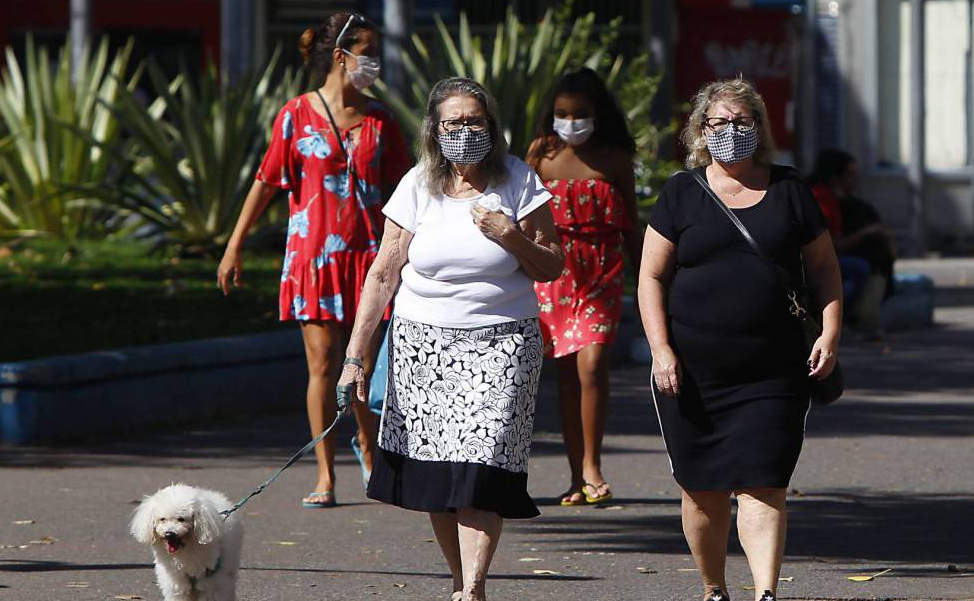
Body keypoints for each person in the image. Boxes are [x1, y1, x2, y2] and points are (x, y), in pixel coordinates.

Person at [337, 77, 563, 601]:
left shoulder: (519, 181)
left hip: (502, 344)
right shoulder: (418, 184)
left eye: (475, 121)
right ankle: (463, 584)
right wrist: (356, 358)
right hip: (424, 346)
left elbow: (552, 266)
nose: (465, 131)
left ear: (492, 127)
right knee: (440, 477)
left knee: (481, 467)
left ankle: (475, 585)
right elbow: (383, 272)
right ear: (435, 131)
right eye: (454, 122)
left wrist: (510, 235)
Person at [637, 78, 843, 601]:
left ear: (759, 128)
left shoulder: (790, 189)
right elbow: (651, 278)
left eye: (742, 122)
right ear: (701, 130)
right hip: (691, 370)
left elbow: (824, 270)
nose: (731, 132)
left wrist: (831, 332)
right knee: (702, 489)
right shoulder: (682, 192)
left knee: (764, 480)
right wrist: (661, 350)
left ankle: (765, 593)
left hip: (772, 370)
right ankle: (713, 589)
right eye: (719, 122)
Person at [216, 12, 411, 508]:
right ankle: (325, 473)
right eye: (367, 51)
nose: (375, 62)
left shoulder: (380, 119)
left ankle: (369, 445)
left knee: (363, 363)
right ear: (341, 56)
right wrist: (235, 243)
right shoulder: (295, 114)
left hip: (370, 258)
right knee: (322, 364)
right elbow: (267, 179)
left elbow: (409, 189)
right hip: (313, 258)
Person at [526, 68, 640, 506]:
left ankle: (593, 466)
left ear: (598, 114)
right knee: (566, 376)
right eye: (561, 113)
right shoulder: (540, 154)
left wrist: (651, 278)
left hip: (601, 274)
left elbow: (631, 222)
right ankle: (576, 476)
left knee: (592, 368)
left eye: (580, 114)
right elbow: (524, 219)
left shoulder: (614, 159)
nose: (570, 122)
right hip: (554, 275)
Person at [808, 148, 896, 336]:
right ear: (835, 178)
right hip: (812, 259)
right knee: (859, 268)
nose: (854, 181)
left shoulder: (835, 199)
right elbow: (835, 246)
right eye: (849, 175)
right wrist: (867, 232)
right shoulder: (823, 200)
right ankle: (828, 311)